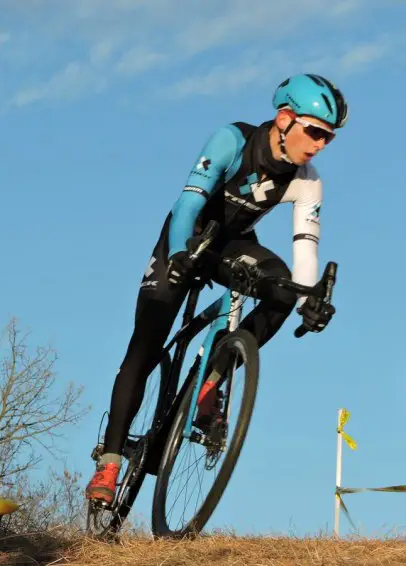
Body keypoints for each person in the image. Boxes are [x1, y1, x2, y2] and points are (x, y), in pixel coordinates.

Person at [85, 73, 346, 505]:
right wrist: (182, 253)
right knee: (144, 348)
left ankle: (214, 377)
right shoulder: (232, 140)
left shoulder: (308, 180)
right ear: (285, 119)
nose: (320, 145)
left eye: (328, 139)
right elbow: (187, 203)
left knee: (281, 290)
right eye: (315, 132)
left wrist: (308, 299)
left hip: (232, 246)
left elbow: (304, 255)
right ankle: (110, 463)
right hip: (186, 238)